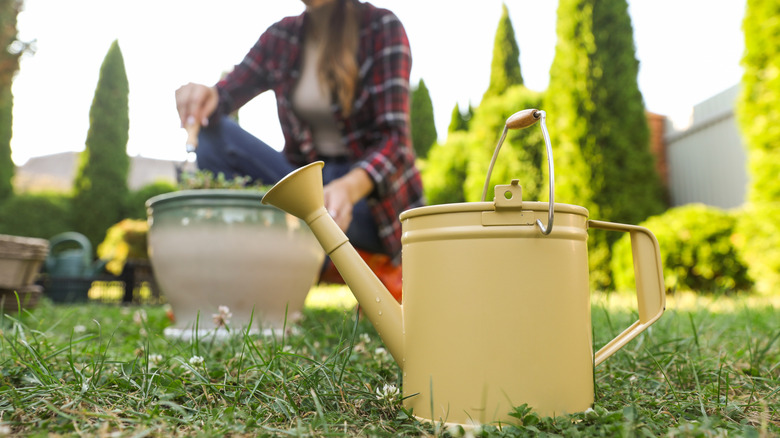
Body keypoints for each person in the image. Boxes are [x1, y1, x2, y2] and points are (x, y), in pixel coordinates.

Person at [174, 0, 423, 302]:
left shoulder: (382, 27)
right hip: (307, 184)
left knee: (336, 186)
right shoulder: (280, 37)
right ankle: (240, 271)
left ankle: (371, 261)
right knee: (214, 135)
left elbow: (394, 140)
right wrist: (205, 96)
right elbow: (223, 97)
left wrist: (348, 188)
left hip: (369, 201)